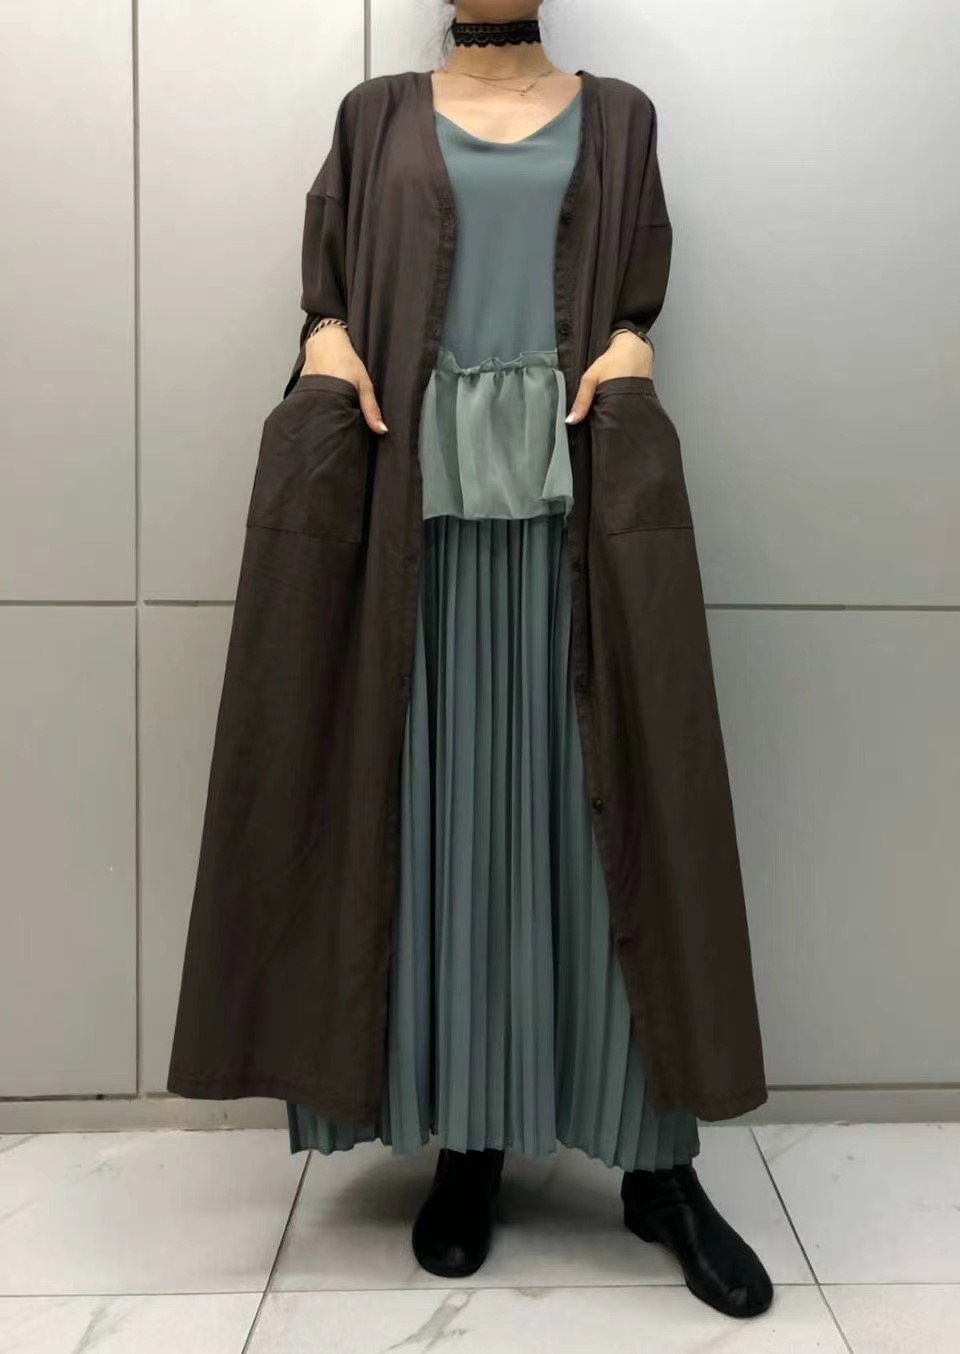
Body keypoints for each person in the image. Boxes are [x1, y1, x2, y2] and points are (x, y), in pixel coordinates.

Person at [168, 0, 773, 1321]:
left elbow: (634, 293)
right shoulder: (374, 118)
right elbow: (331, 290)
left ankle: (658, 1169)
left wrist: (631, 342)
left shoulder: (621, 120)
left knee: (607, 833)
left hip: (574, 535)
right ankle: (473, 1141)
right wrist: (326, 337)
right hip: (419, 543)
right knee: (449, 839)